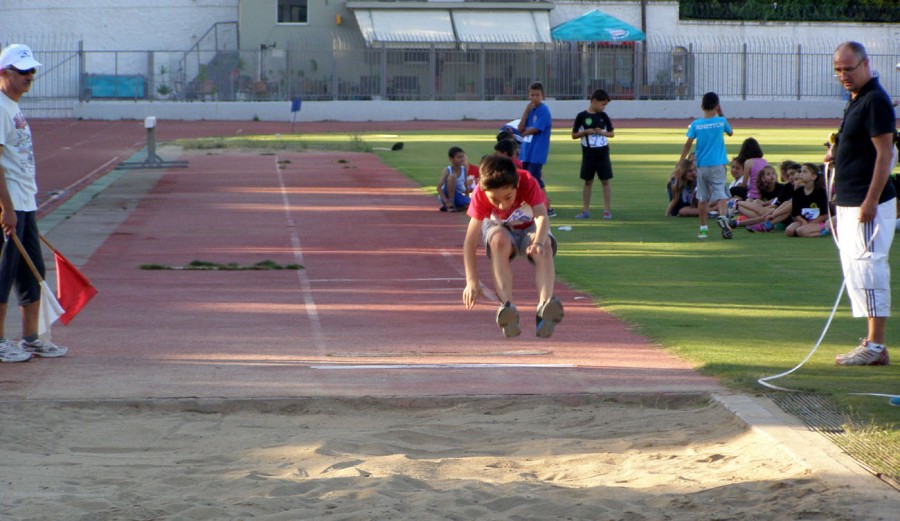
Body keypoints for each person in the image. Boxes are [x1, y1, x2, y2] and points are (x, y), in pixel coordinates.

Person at [826, 42, 897, 366]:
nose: (843, 75)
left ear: (865, 64)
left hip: (868, 202)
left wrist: (870, 200)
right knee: (856, 270)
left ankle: (876, 345)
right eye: (838, 69)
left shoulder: (875, 101)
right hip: (850, 199)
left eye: (849, 69)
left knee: (870, 270)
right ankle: (871, 342)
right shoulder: (857, 99)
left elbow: (886, 154)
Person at [0, 44, 68, 362]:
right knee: (3, 273)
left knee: (32, 272)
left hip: (26, 202)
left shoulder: (14, 107)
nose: (30, 76)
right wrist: (7, 208)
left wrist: (25, 206)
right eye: (22, 71)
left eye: (32, 71)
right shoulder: (0, 108)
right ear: (5, 73)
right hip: (9, 205)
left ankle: (30, 338)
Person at [462, 154, 563, 338]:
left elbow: (541, 216)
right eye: (495, 200)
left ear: (516, 185)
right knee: (498, 241)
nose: (503, 204)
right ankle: (507, 308)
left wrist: (539, 241)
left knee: (545, 246)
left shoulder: (527, 181)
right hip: (500, 227)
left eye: (508, 197)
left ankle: (544, 307)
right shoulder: (480, 193)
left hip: (530, 226)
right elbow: (470, 240)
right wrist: (471, 281)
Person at [677, 91, 734, 239]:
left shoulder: (696, 124)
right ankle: (722, 216)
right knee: (721, 194)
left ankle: (703, 228)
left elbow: (687, 145)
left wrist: (680, 163)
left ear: (702, 106)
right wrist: (721, 114)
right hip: (718, 164)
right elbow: (731, 133)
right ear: (717, 106)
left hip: (702, 165)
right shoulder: (721, 122)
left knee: (702, 197)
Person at [571, 88, 615, 219]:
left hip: (603, 153)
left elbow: (612, 133)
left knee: (605, 181)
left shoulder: (603, 116)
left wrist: (602, 132)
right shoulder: (582, 116)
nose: (603, 108)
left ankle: (607, 210)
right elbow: (573, 135)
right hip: (588, 154)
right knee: (587, 182)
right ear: (594, 101)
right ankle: (585, 210)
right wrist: (585, 132)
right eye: (602, 104)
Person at [517, 82, 556, 217]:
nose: (534, 98)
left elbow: (536, 129)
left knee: (535, 178)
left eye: (537, 95)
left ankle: (547, 206)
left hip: (537, 151)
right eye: (532, 95)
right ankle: (530, 206)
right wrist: (526, 111)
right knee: (526, 179)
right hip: (527, 151)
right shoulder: (530, 110)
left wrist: (523, 133)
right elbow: (520, 128)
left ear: (542, 96)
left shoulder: (544, 110)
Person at [784, 163, 830, 237]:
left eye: (805, 172)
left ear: (813, 177)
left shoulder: (821, 192)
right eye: (801, 171)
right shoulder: (798, 192)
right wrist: (803, 222)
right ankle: (807, 230)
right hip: (803, 221)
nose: (801, 174)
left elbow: (825, 214)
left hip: (818, 221)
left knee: (801, 232)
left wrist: (811, 223)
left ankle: (826, 231)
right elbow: (796, 213)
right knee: (789, 231)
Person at [436, 146, 470, 212]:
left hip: (458, 195)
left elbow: (466, 185)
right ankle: (450, 204)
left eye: (463, 157)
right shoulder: (448, 170)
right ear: (451, 159)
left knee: (472, 203)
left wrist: (467, 198)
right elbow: (439, 188)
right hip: (447, 196)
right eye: (459, 157)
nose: (462, 159)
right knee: (452, 177)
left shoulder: (464, 170)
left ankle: (456, 206)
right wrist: (446, 201)